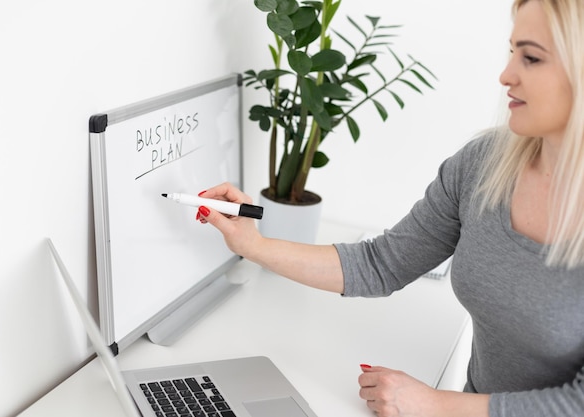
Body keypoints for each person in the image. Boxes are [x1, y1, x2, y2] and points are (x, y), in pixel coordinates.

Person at [195, 0, 584, 415]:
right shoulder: (484, 166)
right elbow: (383, 263)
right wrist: (253, 245)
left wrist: (433, 404)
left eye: (531, 58)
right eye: (512, 53)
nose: (506, 75)